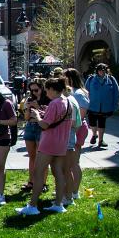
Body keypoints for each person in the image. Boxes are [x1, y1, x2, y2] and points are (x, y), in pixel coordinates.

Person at [17, 78, 73, 215]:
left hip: (49, 142)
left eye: (47, 90)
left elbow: (44, 125)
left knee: (38, 172)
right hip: (61, 142)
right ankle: (58, 204)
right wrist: (43, 113)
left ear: (53, 90)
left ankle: (32, 205)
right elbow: (55, 120)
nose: (46, 93)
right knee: (58, 172)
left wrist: (37, 115)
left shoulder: (54, 103)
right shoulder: (67, 101)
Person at [63, 69, 90, 206]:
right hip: (75, 128)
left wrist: (72, 132)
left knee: (74, 163)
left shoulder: (78, 93)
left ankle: (74, 191)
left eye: (64, 77)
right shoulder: (76, 91)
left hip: (77, 129)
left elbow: (81, 115)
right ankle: (71, 190)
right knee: (73, 162)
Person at [19, 79, 50, 193]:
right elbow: (26, 118)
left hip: (41, 127)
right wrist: (27, 108)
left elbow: (48, 117)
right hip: (30, 126)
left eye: (36, 90)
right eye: (32, 91)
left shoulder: (47, 99)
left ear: (42, 88)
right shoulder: (30, 99)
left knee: (42, 157)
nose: (34, 93)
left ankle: (43, 183)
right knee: (32, 157)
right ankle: (31, 182)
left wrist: (37, 107)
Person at [84, 63, 119, 149]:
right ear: (97, 71)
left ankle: (101, 140)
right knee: (92, 122)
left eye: (103, 70)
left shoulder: (111, 79)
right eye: (100, 70)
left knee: (102, 123)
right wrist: (85, 103)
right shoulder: (91, 79)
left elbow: (116, 92)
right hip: (92, 105)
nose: (101, 72)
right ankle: (94, 134)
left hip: (105, 106)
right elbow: (85, 91)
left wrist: (115, 104)